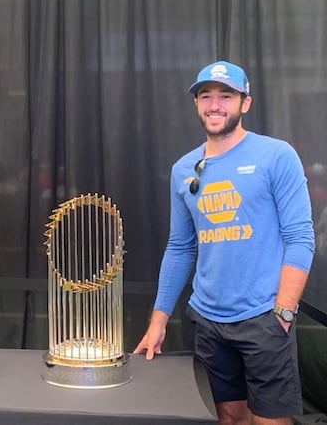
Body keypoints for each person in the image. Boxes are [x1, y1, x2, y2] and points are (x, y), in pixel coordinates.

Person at [133, 61, 315, 425]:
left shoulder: (276, 155)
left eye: (226, 96)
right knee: (228, 418)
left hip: (264, 318)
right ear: (197, 104)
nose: (215, 105)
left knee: (271, 422)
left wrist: (283, 312)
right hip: (209, 322)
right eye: (206, 96)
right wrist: (158, 319)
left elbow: (300, 238)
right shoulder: (184, 169)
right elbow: (180, 247)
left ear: (245, 103)